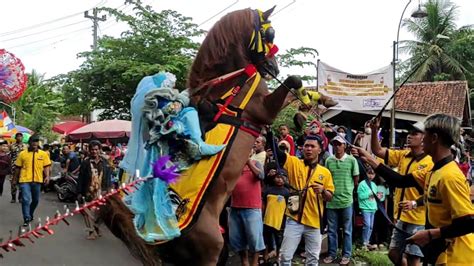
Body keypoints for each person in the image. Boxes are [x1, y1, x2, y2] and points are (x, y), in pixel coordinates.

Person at [355, 113, 474, 265]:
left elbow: (469, 223)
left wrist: (430, 234)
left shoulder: (450, 176)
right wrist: (370, 159)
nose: (422, 138)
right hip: (442, 255)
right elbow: (401, 181)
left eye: (425, 134)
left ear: (434, 138)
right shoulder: (434, 171)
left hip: (457, 258)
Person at [368, 117, 433, 266]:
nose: (410, 135)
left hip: (419, 218)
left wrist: (414, 203)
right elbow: (377, 150)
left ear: (425, 137)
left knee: (413, 258)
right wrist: (373, 130)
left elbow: (428, 192)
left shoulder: (429, 162)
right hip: (402, 215)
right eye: (409, 133)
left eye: (415, 133)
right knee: (393, 253)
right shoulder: (404, 154)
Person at [271, 133, 334, 265]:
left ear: (320, 149)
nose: (309, 149)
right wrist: (271, 136)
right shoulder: (294, 163)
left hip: (314, 222)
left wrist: (323, 191)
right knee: (285, 257)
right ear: (302, 148)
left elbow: (330, 197)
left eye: (312, 146)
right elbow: (279, 155)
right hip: (294, 219)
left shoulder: (325, 172)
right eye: (306, 146)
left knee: (312, 259)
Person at [323, 135, 359, 265]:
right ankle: (332, 254)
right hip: (331, 201)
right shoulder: (329, 161)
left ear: (345, 145)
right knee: (332, 230)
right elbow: (326, 178)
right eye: (335, 144)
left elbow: (356, 179)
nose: (337, 146)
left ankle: (346, 255)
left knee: (347, 230)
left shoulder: (351, 160)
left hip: (346, 201)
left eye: (340, 144)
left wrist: (349, 191)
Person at [229, 143, 265, 266]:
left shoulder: (256, 163)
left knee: (255, 239)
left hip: (252, 208)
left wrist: (248, 162)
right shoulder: (235, 166)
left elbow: (261, 175)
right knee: (237, 238)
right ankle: (245, 262)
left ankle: (254, 263)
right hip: (235, 207)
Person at [77, 140, 112, 240]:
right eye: (92, 150)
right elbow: (81, 178)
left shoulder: (105, 163)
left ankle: (96, 227)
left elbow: (108, 177)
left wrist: (109, 189)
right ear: (89, 151)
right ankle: (91, 231)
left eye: (96, 149)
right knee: (86, 211)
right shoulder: (85, 163)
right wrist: (79, 192)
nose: (94, 152)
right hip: (88, 191)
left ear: (99, 150)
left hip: (102, 191)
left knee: (101, 213)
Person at [15, 136, 51, 226]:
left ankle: (30, 213)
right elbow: (17, 168)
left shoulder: (43, 154)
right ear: (29, 143)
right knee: (26, 200)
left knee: (35, 200)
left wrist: (47, 176)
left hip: (37, 180)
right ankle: (26, 218)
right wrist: (15, 179)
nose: (35, 143)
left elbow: (46, 166)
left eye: (36, 141)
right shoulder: (22, 154)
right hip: (24, 180)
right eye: (33, 141)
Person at [262, 170, 289, 262]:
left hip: (280, 221)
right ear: (274, 178)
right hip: (267, 219)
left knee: (279, 240)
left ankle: (278, 257)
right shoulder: (268, 190)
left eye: (282, 178)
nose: (280, 180)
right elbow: (264, 204)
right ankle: (266, 255)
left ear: (286, 179)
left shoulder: (286, 192)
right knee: (266, 239)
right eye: (277, 177)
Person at [357, 167, 378, 250]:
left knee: (371, 226)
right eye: (369, 173)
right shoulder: (362, 184)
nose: (371, 175)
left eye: (372, 174)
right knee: (367, 225)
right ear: (366, 174)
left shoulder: (374, 185)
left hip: (373, 208)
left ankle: (367, 242)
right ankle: (364, 243)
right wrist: (370, 194)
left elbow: (375, 197)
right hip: (365, 208)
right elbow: (360, 196)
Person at [9, 132, 25, 203]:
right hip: (13, 166)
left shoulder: (25, 146)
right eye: (18, 136)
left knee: (22, 182)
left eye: (20, 136)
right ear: (15, 138)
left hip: (23, 167)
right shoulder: (12, 146)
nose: (19, 138)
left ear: (22, 138)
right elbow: (10, 155)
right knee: (13, 182)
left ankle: (20, 197)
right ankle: (13, 197)